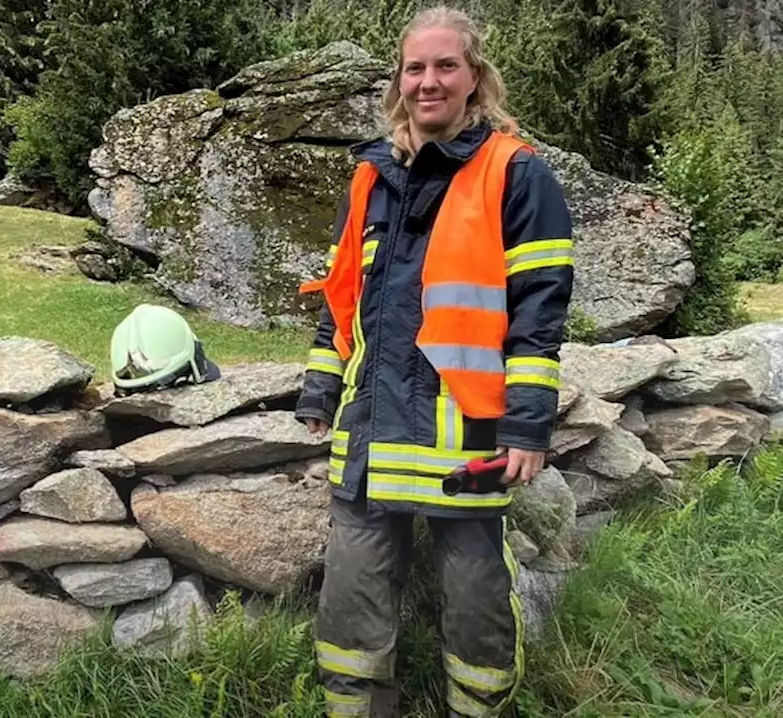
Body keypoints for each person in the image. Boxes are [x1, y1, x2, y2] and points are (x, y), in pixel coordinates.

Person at [294, 6, 574, 718]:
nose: (429, 81)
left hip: (468, 436)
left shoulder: (516, 173)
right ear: (399, 79)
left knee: (478, 607)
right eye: (415, 67)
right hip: (368, 429)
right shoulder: (370, 175)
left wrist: (527, 424)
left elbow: (540, 311)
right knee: (349, 614)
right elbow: (341, 296)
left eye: (446, 65)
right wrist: (319, 391)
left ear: (475, 78)